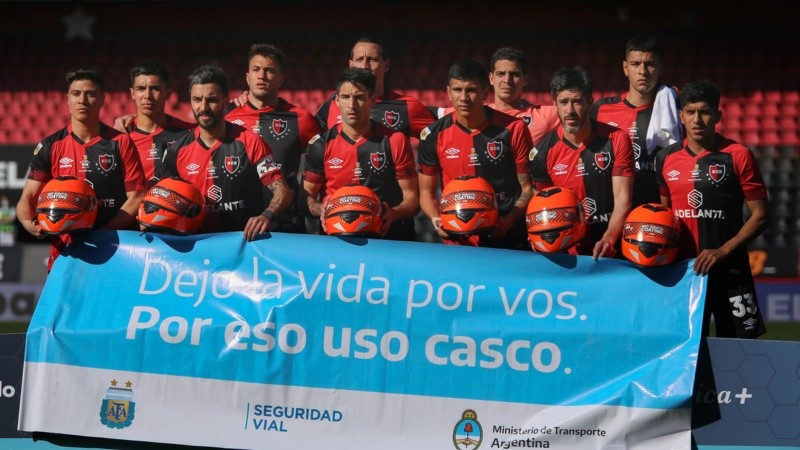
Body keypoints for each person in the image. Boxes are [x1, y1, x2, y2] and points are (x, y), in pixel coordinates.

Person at [655, 79, 768, 339]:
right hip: (684, 273)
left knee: (744, 346)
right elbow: (665, 215)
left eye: (704, 112)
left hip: (731, 270)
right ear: (681, 116)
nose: (697, 119)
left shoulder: (738, 155)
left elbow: (762, 215)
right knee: (686, 350)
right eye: (691, 112)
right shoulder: (665, 158)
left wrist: (723, 251)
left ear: (717, 115)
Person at [16, 67, 146, 270]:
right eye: (76, 94)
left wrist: (103, 233)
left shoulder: (120, 142)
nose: (82, 100)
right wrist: (27, 222)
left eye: (90, 94)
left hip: (114, 251)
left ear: (102, 99)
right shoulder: (51, 145)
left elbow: (137, 196)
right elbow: (28, 197)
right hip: (65, 253)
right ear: (67, 98)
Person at [161, 65, 291, 241]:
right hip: (195, 253)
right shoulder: (175, 151)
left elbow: (283, 190)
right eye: (197, 99)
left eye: (212, 100)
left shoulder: (250, 142)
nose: (203, 107)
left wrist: (267, 215)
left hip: (243, 248)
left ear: (225, 101)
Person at [418, 59, 533, 250]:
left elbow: (528, 188)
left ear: (485, 93)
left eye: (471, 90)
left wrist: (508, 220)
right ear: (448, 92)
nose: (463, 97)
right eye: (457, 90)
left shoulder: (514, 129)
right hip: (458, 239)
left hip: (506, 234)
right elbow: (426, 193)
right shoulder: (432, 135)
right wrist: (436, 219)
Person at [529, 66, 634, 259]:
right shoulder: (541, 153)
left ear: (590, 102)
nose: (570, 110)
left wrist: (608, 239)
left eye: (577, 102)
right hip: (569, 255)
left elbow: (623, 201)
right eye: (563, 102)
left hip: (612, 251)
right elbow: (542, 207)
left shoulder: (617, 139)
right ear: (555, 104)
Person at [303, 68, 419, 241]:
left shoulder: (395, 141)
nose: (352, 105)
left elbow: (412, 199)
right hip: (336, 240)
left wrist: (393, 213)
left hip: (387, 240)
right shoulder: (320, 145)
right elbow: (305, 197)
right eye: (345, 97)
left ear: (372, 101)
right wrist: (321, 209)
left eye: (359, 97)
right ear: (336, 101)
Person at [225, 44, 321, 233]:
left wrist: (311, 200)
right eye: (256, 69)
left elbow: (324, 158)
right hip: (237, 227)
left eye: (269, 70)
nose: (262, 75)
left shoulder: (301, 118)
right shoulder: (227, 116)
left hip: (286, 226)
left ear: (280, 79)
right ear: (247, 77)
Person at [590, 35, 682, 207]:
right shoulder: (601, 109)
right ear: (625, 67)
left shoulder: (675, 112)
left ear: (660, 68)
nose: (643, 71)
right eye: (635, 64)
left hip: (656, 211)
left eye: (650, 64)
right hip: (610, 210)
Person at [314, 38, 436, 140]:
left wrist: (425, 167)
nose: (365, 66)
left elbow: (440, 139)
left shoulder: (407, 106)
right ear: (351, 65)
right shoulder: (331, 105)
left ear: (386, 65)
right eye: (359, 59)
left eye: (372, 59)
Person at [435, 47, 560, 147]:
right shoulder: (475, 111)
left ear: (525, 79)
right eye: (500, 74)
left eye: (514, 74)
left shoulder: (545, 116)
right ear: (491, 78)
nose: (507, 80)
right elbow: (425, 112)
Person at [124, 61, 194, 185]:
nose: (147, 95)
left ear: (168, 93)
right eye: (140, 88)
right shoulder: (121, 137)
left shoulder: (188, 134)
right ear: (132, 94)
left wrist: (239, 101)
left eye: (155, 88)